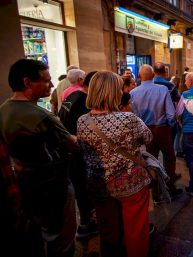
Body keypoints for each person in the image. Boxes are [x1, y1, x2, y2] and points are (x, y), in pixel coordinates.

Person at [0, 59, 77, 256]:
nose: (52, 86)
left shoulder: (3, 110)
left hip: (23, 181)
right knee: (61, 238)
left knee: (38, 234)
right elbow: (72, 144)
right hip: (52, 185)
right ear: (27, 82)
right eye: (46, 81)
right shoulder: (41, 116)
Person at [77, 71, 152, 257]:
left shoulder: (82, 121)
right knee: (135, 230)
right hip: (130, 182)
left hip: (99, 183)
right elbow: (147, 137)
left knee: (108, 231)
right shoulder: (128, 118)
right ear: (115, 93)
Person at [130, 65, 183, 203]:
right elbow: (171, 114)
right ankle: (170, 187)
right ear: (153, 75)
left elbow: (133, 116)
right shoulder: (163, 89)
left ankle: (155, 192)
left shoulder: (133, 93)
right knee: (170, 158)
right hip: (161, 129)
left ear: (139, 76)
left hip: (144, 130)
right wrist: (168, 125)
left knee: (151, 161)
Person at [59, 71, 99, 239]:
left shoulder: (72, 95)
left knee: (80, 186)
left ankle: (85, 221)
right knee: (83, 187)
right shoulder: (85, 102)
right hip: (78, 151)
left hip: (69, 149)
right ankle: (85, 224)